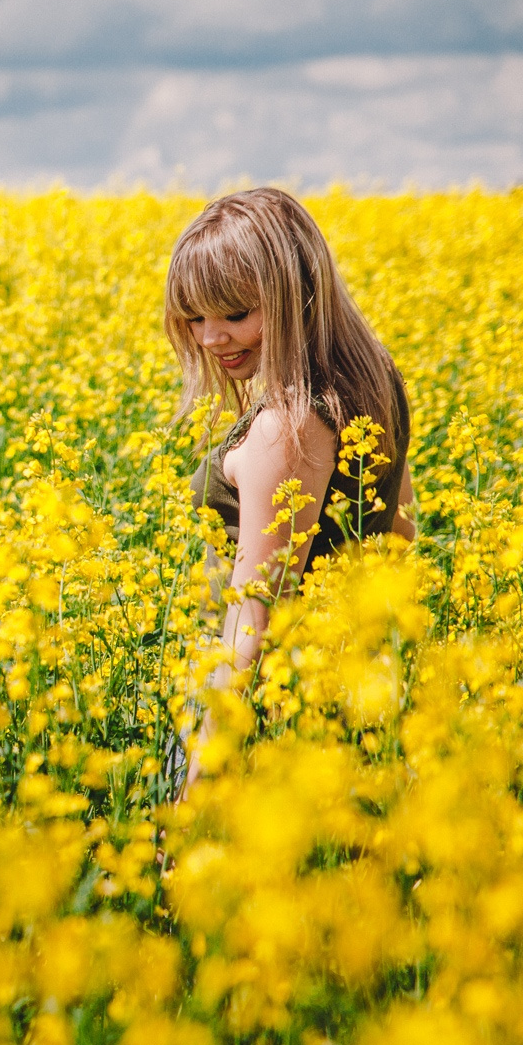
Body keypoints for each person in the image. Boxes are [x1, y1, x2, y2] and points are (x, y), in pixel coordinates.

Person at [165, 187, 415, 793]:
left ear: (295, 296)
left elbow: (253, 621)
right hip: (339, 701)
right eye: (196, 317)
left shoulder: (288, 425)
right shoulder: (373, 378)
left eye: (234, 313)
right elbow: (400, 535)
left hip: (261, 725)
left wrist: (200, 786)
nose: (210, 339)